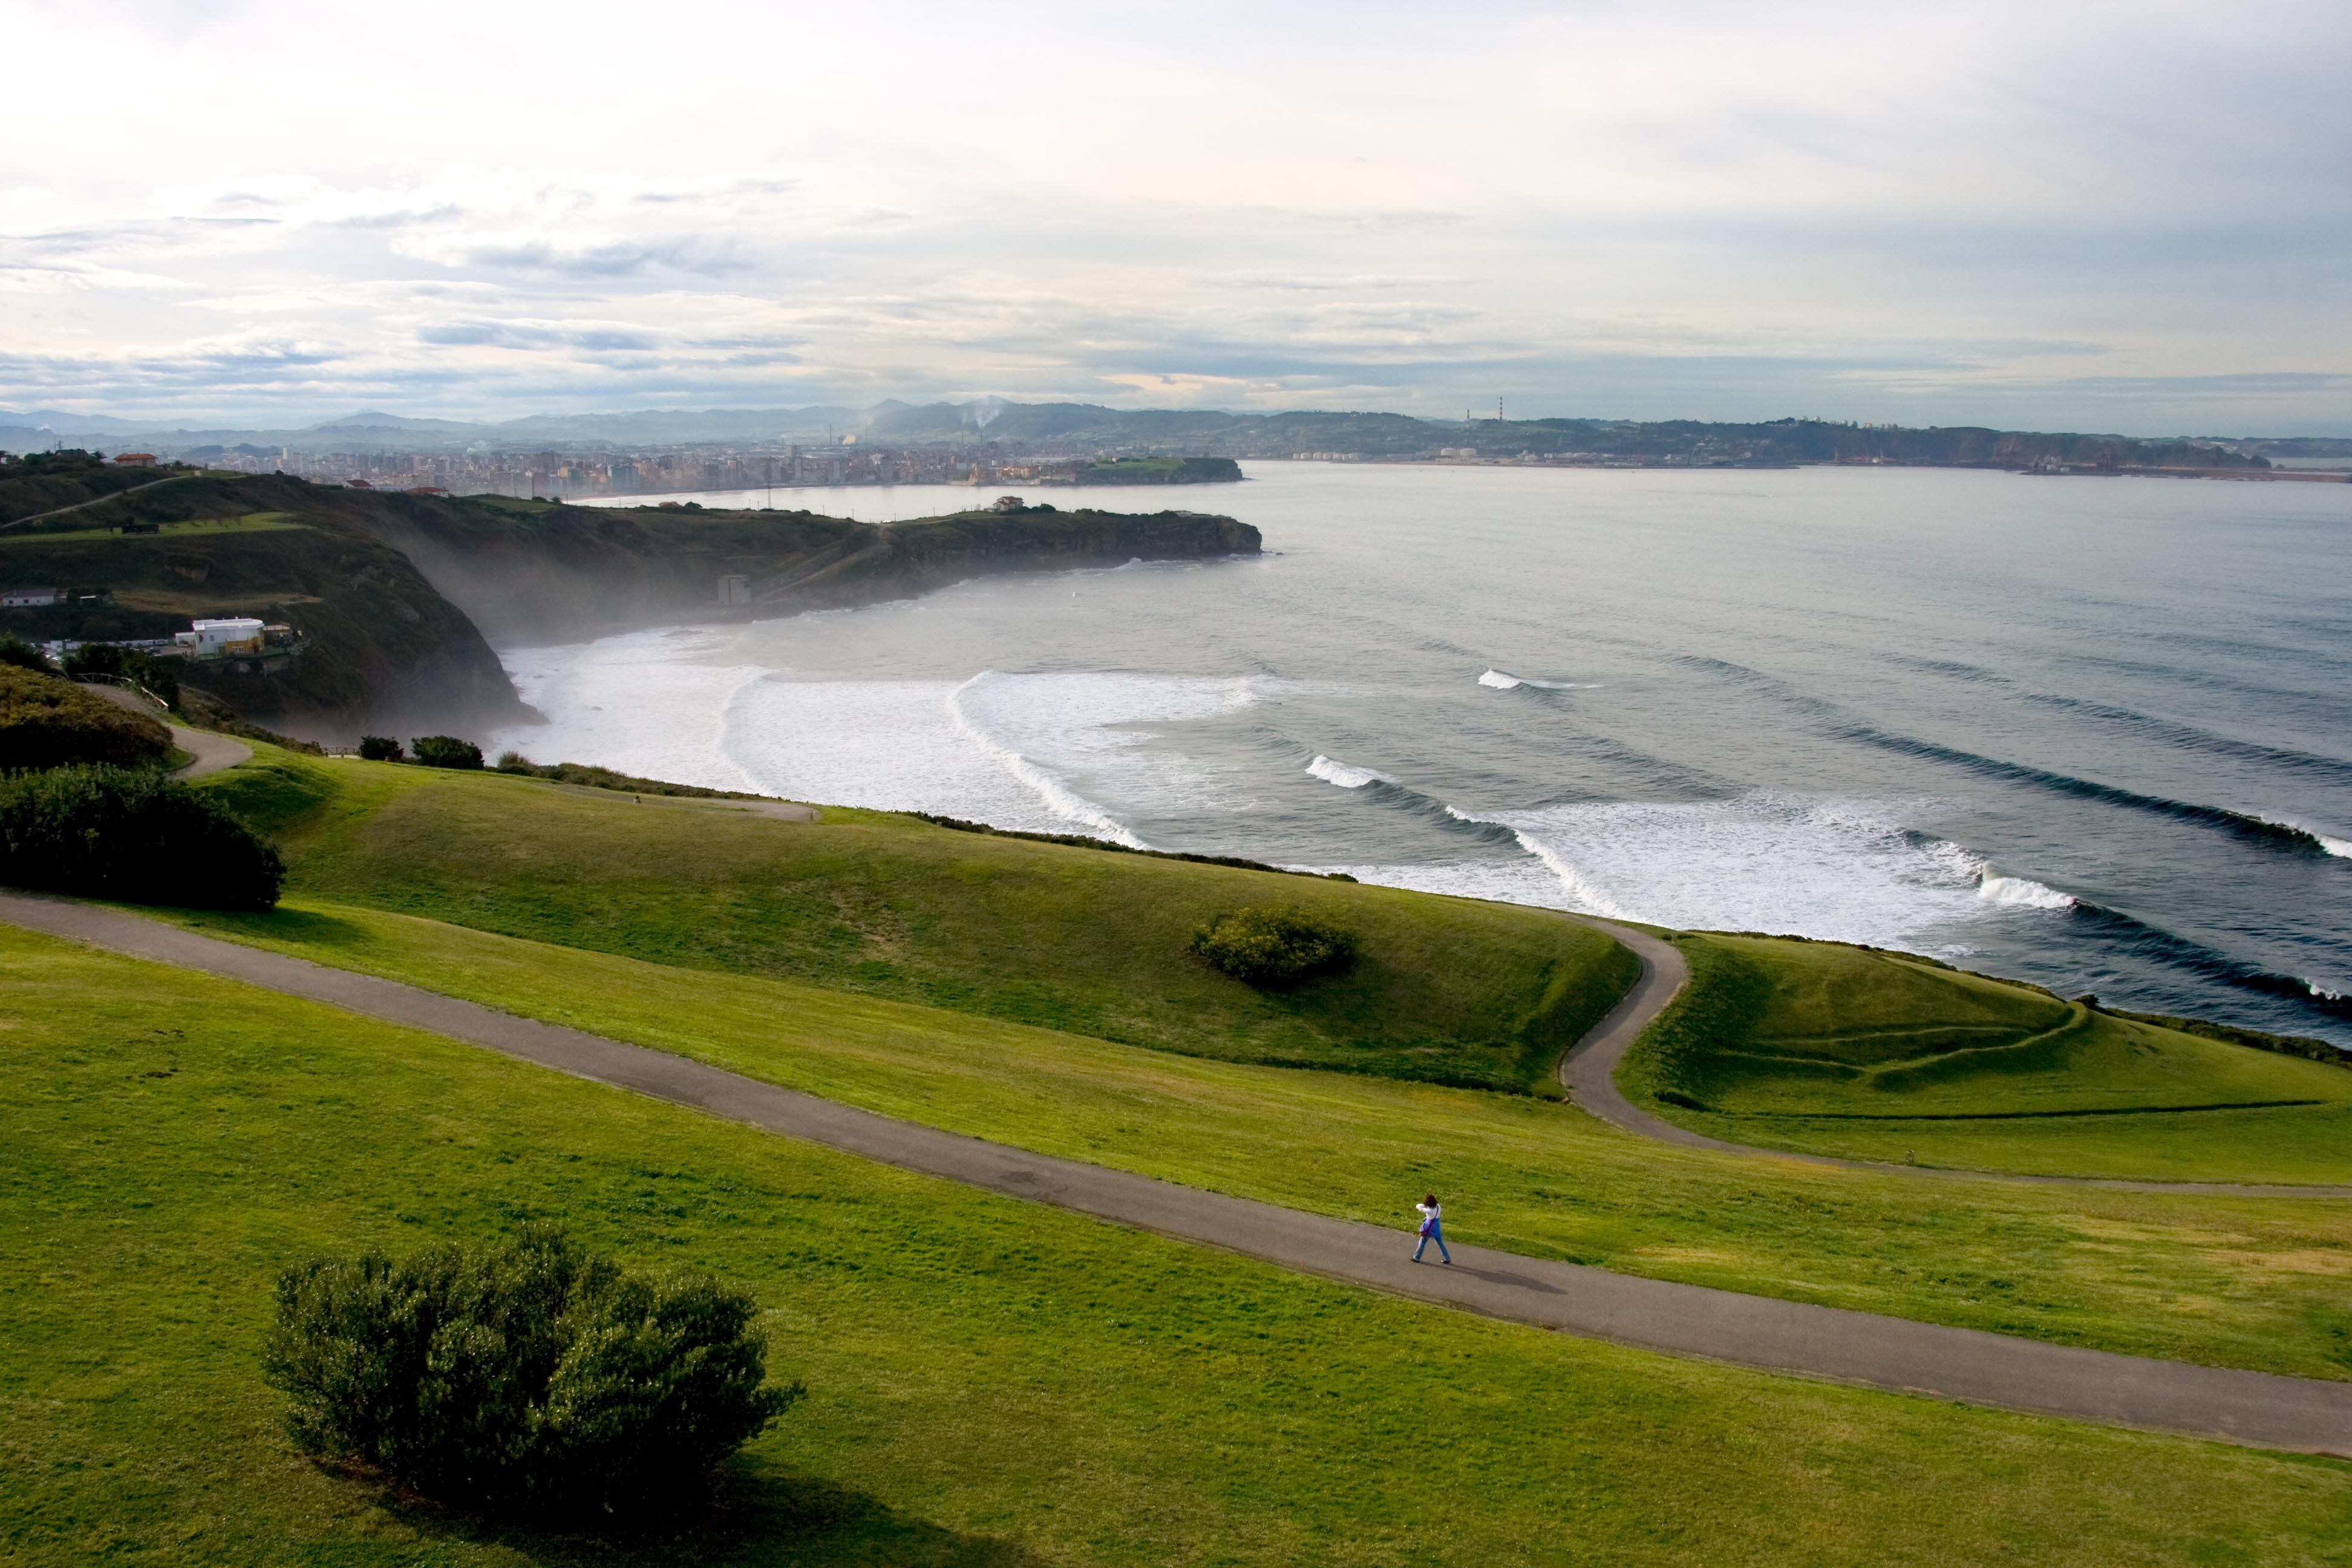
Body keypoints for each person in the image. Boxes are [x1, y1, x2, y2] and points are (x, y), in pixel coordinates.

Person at [1413, 1192, 1450, 1265]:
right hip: (1436, 1227)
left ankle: (1417, 1257)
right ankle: (1447, 1258)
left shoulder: (1429, 1211)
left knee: (1422, 1242)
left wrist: (1423, 1205)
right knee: (1440, 1243)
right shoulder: (1438, 1206)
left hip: (1429, 1229)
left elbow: (1419, 1207)